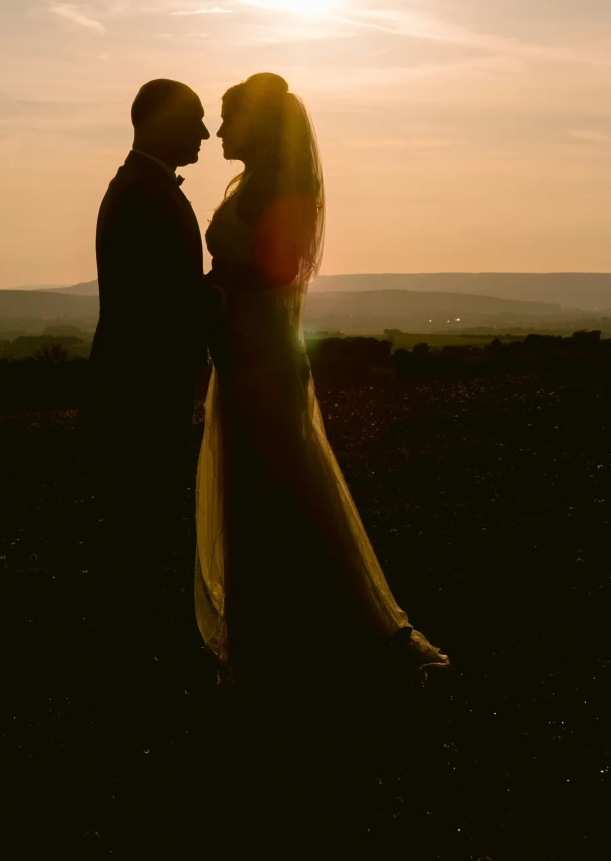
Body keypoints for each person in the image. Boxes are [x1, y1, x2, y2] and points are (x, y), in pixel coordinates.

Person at [193, 72, 449, 686]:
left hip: (262, 363)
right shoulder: (253, 186)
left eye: (230, 117)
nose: (221, 129)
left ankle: (307, 638)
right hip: (243, 360)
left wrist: (215, 292)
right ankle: (279, 634)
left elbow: (274, 273)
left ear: (259, 125)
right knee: (257, 493)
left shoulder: (275, 193)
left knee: (277, 490)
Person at [89, 78, 219, 673]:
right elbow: (159, 303)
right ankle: (134, 649)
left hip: (140, 382)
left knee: (144, 513)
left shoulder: (141, 186)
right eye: (192, 119)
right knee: (141, 514)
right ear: (156, 120)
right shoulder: (143, 193)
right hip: (140, 387)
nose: (203, 132)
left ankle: (134, 639)